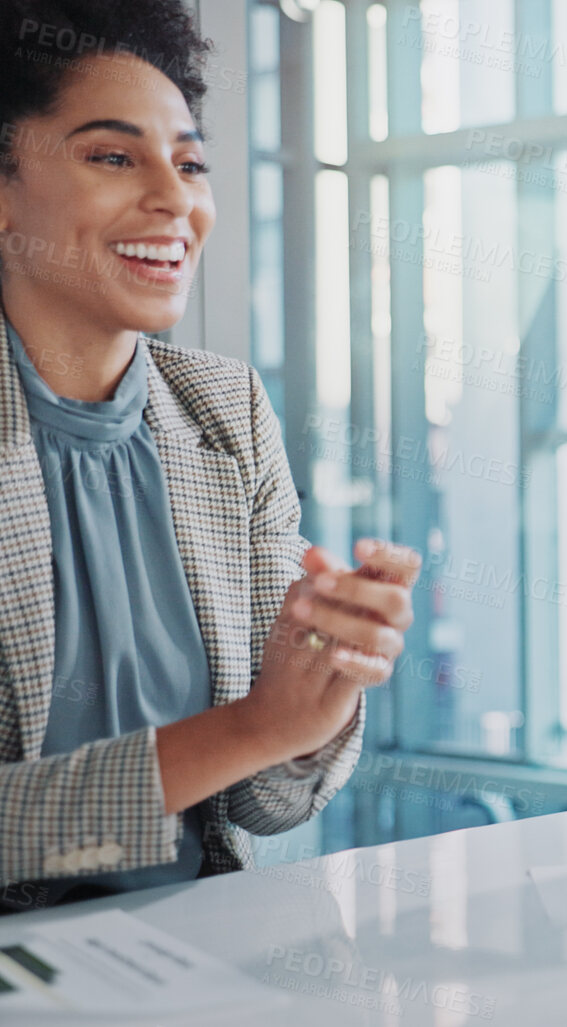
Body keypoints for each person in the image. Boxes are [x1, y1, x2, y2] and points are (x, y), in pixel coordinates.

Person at [0, 0, 419, 911]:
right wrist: (251, 725)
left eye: (190, 163)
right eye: (113, 156)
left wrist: (313, 697)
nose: (176, 199)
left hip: (190, 954)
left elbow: (266, 804)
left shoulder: (223, 410)